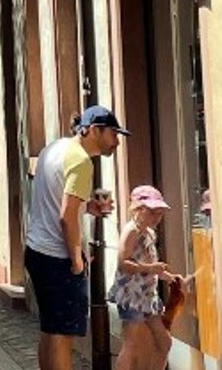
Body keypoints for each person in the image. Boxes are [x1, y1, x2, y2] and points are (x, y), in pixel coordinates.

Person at [24, 105, 126, 370]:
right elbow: (66, 217)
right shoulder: (81, 161)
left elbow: (55, 199)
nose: (117, 141)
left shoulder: (55, 148)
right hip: (57, 257)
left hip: (37, 250)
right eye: (113, 134)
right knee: (62, 336)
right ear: (94, 130)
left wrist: (87, 206)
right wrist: (77, 260)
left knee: (50, 330)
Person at [109, 186, 177, 370]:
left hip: (147, 296)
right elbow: (124, 263)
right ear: (138, 209)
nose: (157, 218)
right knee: (131, 346)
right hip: (132, 295)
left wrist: (166, 275)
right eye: (153, 212)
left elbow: (149, 263)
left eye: (160, 213)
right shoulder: (131, 230)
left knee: (164, 342)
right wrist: (151, 268)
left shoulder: (148, 232)